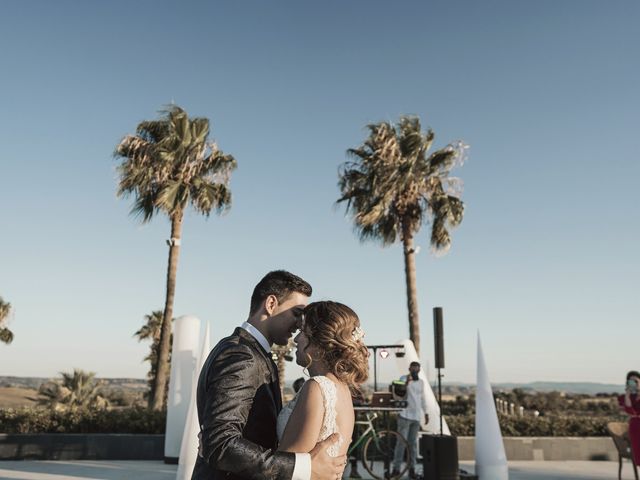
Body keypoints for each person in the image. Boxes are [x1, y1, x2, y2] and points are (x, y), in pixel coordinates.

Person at [192, 270, 346, 480]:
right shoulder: (241, 355)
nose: (301, 323)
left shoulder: (251, 352)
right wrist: (303, 467)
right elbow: (221, 443)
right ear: (271, 304)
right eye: (297, 313)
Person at [277, 301, 369, 466]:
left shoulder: (317, 387)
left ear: (320, 342)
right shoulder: (342, 388)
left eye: (302, 332)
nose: (296, 339)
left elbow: (286, 469)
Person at [392, 361, 428, 480]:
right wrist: (406, 383)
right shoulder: (403, 378)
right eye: (413, 369)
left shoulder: (421, 382)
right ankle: (396, 469)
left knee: (412, 445)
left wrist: (426, 412)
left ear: (419, 370)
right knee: (401, 444)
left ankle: (412, 469)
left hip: (416, 417)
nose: (414, 371)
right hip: (404, 415)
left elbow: (422, 398)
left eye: (416, 370)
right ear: (409, 369)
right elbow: (398, 394)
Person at [618, 370, 640, 465]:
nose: (634, 384)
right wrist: (627, 395)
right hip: (636, 426)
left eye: (636, 381)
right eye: (631, 381)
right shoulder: (624, 397)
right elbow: (630, 411)